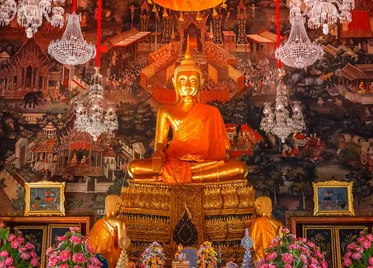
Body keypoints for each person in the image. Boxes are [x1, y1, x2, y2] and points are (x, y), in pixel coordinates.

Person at [127, 36, 248, 183]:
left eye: (193, 80)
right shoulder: (166, 111)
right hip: (174, 161)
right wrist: (158, 152)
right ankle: (192, 177)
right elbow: (160, 142)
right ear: (175, 82)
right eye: (183, 80)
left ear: (200, 82)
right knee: (134, 168)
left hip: (204, 163)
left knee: (239, 169)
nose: (188, 85)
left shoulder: (211, 111)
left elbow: (222, 152)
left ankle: (188, 176)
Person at [88, 195, 126, 268]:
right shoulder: (119, 223)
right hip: (111, 260)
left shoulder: (98, 223)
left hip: (96, 261)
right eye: (121, 207)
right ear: (117, 206)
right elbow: (122, 244)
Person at [249, 196, 282, 262]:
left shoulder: (258, 222)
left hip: (262, 258)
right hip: (276, 257)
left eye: (255, 208)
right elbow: (282, 242)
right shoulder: (279, 223)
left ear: (259, 207)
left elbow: (251, 242)